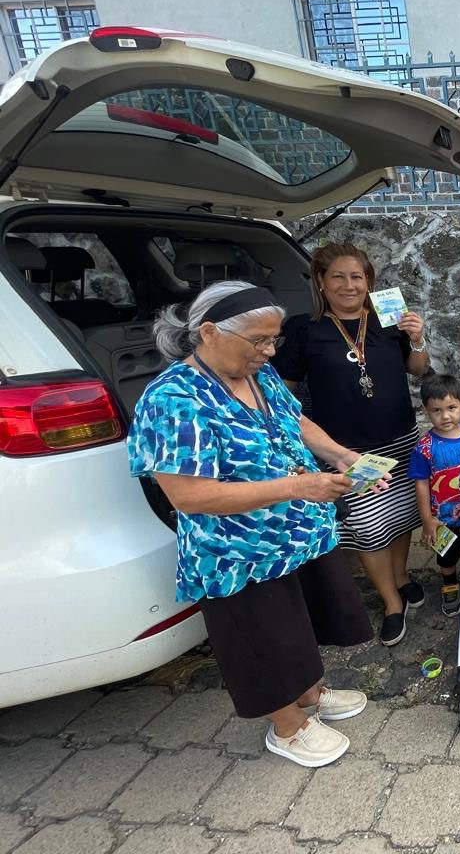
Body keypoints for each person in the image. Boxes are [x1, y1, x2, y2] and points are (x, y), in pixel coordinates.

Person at [128, 281, 375, 769]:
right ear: (209, 332)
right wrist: (297, 487)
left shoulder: (257, 372)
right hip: (238, 550)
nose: (269, 351)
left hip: (297, 532)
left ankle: (310, 695)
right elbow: (190, 496)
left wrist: (341, 455)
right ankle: (287, 726)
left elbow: (296, 421)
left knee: (299, 620)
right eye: (259, 341)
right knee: (264, 635)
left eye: (273, 340)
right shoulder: (172, 398)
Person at [275, 243, 430, 648]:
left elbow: (418, 369)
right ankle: (391, 602)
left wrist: (417, 339)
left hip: (400, 437)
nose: (349, 285)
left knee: (400, 516)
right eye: (338, 277)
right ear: (321, 282)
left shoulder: (388, 321)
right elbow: (282, 396)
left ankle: (402, 576)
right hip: (347, 451)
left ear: (368, 281)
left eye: (357, 277)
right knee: (367, 527)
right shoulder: (304, 330)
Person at [408, 374, 460, 616]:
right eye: (437, 410)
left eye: (451, 408)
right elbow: (421, 484)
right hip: (442, 519)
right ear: (425, 411)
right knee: (447, 557)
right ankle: (450, 586)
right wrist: (426, 520)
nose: (445, 416)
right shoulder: (424, 448)